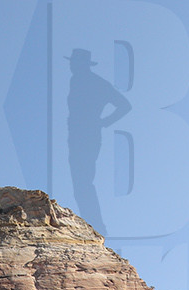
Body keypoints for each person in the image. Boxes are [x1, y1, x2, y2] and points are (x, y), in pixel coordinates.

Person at [66, 48, 130, 235]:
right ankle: (91, 224)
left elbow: (125, 105)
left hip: (87, 135)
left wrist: (103, 122)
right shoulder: (75, 80)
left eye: (74, 62)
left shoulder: (96, 83)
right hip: (77, 135)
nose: (71, 66)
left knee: (83, 181)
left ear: (82, 64)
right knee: (80, 182)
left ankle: (95, 226)